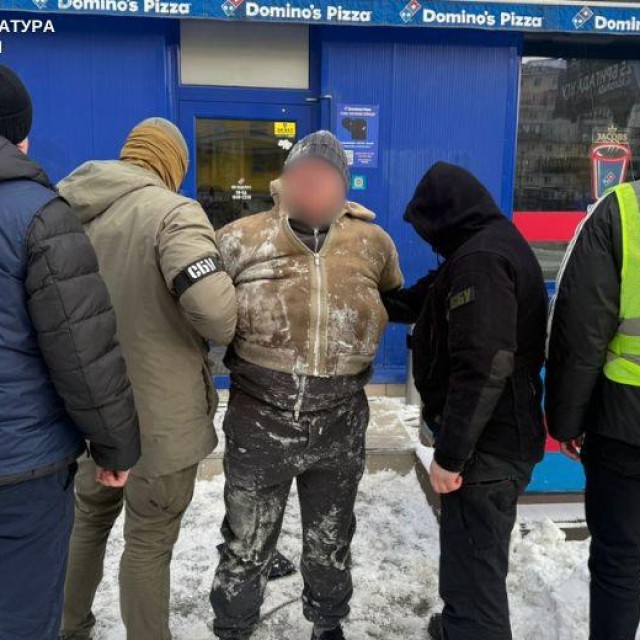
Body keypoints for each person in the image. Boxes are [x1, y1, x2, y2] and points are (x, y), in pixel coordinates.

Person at [212, 130, 403, 640]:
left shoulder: (373, 242)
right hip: (259, 418)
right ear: (285, 180)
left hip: (340, 419)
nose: (314, 185)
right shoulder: (240, 238)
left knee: (331, 540)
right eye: (305, 174)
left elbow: (391, 292)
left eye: (327, 176)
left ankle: (327, 622)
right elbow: (204, 309)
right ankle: (233, 627)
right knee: (246, 542)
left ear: (343, 185)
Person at [58, 118, 237, 640]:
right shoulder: (173, 214)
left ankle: (68, 627)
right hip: (159, 420)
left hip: (86, 412)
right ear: (173, 165)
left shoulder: (68, 210)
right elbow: (215, 313)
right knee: (149, 541)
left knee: (87, 521)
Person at [0, 65, 140, 640]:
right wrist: (114, 445)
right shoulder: (38, 215)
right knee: (21, 618)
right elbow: (82, 351)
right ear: (22, 138)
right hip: (21, 470)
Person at [383, 162, 547, 640]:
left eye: (428, 227)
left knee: (477, 573)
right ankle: (460, 625)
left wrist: (451, 455)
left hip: (488, 446)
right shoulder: (481, 249)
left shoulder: (482, 261)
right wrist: (361, 289)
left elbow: (484, 366)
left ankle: (472, 627)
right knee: (465, 554)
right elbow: (423, 299)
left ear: (447, 216)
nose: (429, 239)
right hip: (492, 441)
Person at [546, 179, 640, 640]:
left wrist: (567, 421)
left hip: (626, 423)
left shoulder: (623, 209)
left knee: (620, 561)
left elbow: (581, 330)